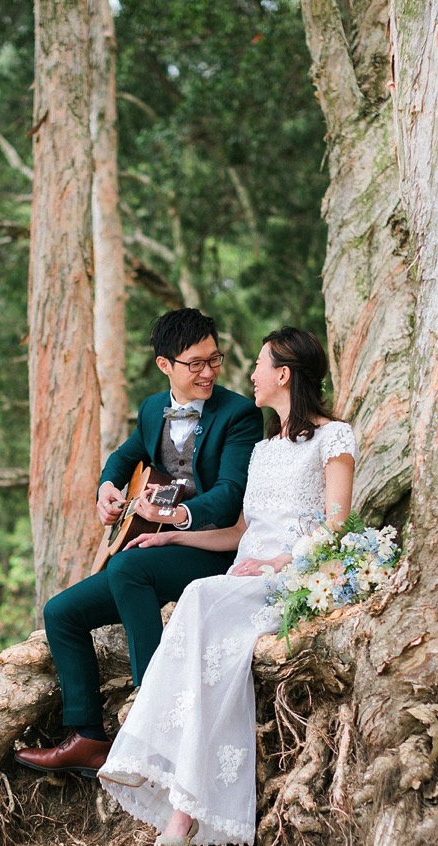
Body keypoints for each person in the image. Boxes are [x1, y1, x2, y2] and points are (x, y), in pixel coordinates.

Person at [97, 327, 355, 846]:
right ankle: (180, 804)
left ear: (283, 375)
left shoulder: (335, 438)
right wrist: (171, 538)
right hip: (243, 569)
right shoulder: (262, 449)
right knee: (201, 611)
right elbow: (239, 534)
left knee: (198, 599)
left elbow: (338, 527)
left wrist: (281, 561)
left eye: (259, 366)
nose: (250, 376)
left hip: (294, 575)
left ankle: (165, 784)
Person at [15, 309, 263, 777]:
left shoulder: (241, 415)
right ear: (165, 365)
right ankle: (88, 738)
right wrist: (107, 488)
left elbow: (230, 496)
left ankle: (155, 727)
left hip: (214, 552)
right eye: (195, 363)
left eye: (215, 359)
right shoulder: (153, 409)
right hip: (153, 551)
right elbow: (126, 456)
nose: (209, 372)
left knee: (128, 568)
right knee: (61, 613)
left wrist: (171, 515)